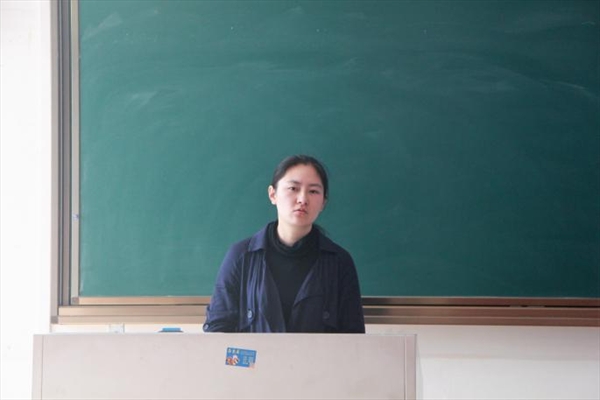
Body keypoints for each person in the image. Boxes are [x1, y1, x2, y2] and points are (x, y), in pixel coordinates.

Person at [203, 155, 365, 333]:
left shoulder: (339, 262)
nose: (302, 199)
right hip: (254, 354)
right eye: (293, 188)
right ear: (273, 194)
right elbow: (217, 330)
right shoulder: (241, 256)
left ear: (323, 203)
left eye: (313, 191)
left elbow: (354, 339)